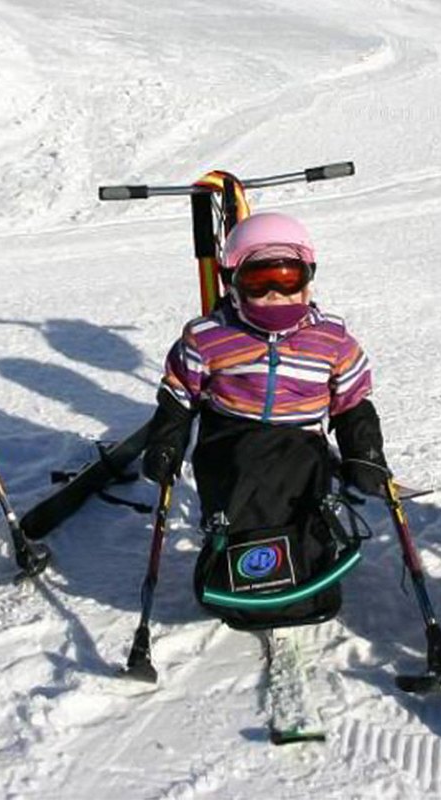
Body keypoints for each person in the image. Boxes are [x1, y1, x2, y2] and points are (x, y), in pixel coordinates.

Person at [141, 211, 388, 629]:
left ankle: (309, 562)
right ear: (232, 284)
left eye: (288, 280)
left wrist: (364, 451)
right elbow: (180, 392)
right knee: (239, 500)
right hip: (232, 443)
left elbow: (351, 400)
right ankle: (233, 561)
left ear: (309, 279)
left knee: (301, 502)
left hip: (301, 446)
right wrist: (167, 441)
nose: (276, 294)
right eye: (259, 282)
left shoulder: (331, 339)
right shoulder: (208, 336)